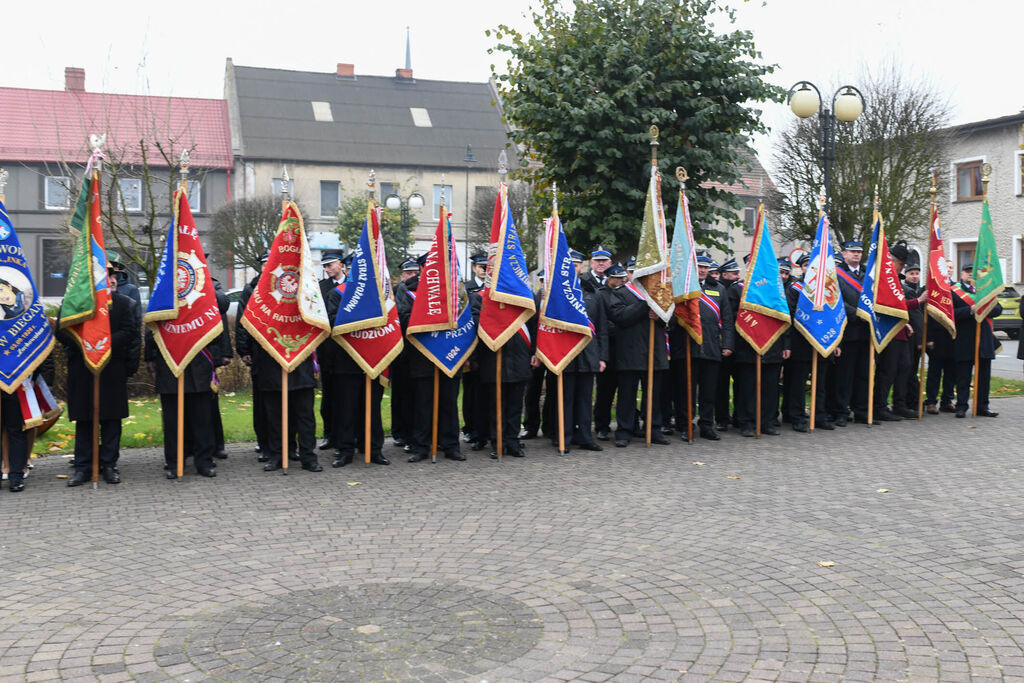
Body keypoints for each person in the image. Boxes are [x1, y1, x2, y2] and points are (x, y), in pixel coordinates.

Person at [58, 268, 141, 486]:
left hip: (112, 369)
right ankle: (83, 467)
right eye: (105, 276)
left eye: (112, 276)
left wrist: (103, 344)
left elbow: (130, 332)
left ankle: (109, 465)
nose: (110, 280)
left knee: (111, 420)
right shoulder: (74, 302)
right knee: (85, 420)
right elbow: (61, 330)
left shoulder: (124, 303)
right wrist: (86, 344)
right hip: (82, 369)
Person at [394, 267, 465, 462]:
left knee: (449, 405)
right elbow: (403, 318)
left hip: (450, 356)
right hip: (423, 357)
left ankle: (451, 446)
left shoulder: (455, 290)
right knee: (423, 405)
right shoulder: (411, 290)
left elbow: (466, 322)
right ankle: (421, 447)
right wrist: (430, 318)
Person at [323, 286, 390, 467]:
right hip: (346, 363)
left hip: (373, 361)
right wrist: (358, 314)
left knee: (372, 409)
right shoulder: (336, 294)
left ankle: (374, 449)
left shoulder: (377, 293)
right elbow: (331, 321)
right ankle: (345, 451)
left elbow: (389, 320)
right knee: (346, 410)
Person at [605, 264, 669, 447]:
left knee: (654, 395)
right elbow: (620, 316)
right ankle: (624, 431)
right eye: (633, 272)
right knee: (627, 395)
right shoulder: (620, 292)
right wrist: (644, 305)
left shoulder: (658, 292)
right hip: (629, 353)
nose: (637, 275)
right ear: (628, 274)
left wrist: (660, 317)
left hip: (654, 352)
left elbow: (672, 318)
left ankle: (654, 429)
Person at [672, 253, 733, 440]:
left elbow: (727, 319)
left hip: (712, 347)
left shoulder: (719, 289)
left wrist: (728, 344)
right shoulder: (682, 289)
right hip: (687, 348)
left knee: (708, 391)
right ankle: (685, 425)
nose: (703, 270)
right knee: (685, 391)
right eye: (700, 266)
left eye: (706, 267)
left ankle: (706, 425)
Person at [952, 264, 1001, 418]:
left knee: (984, 377)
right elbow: (951, 314)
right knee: (963, 377)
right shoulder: (954, 292)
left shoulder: (984, 291)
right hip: (964, 339)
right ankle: (961, 406)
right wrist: (971, 310)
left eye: (972, 273)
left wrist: (984, 306)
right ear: (961, 274)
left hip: (984, 340)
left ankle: (982, 407)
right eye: (967, 272)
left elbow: (997, 310)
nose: (969, 275)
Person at [237, 251, 270, 459]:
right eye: (265, 264)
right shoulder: (250, 289)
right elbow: (243, 321)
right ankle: (263, 442)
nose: (268, 267)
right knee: (262, 401)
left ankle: (286, 444)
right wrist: (244, 350)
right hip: (259, 354)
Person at [835, 240, 871, 425]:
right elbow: (837, 300)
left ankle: (862, 410)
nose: (856, 254)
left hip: (866, 333)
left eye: (859, 251)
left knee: (863, 374)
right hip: (848, 330)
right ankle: (842, 411)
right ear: (844, 254)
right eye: (852, 251)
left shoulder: (867, 274)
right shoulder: (837, 275)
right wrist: (858, 314)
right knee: (845, 375)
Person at [389, 256, 422, 450]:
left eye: (415, 273)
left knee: (415, 396)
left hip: (420, 351)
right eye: (408, 273)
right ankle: (401, 432)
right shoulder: (401, 290)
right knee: (402, 395)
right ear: (402, 275)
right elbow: (401, 316)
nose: (412, 276)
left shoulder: (423, 290)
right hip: (404, 351)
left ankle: (411, 433)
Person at [317, 252, 347, 451]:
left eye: (330, 265)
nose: (327, 269)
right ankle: (329, 435)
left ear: (341, 264)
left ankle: (346, 435)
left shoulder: (353, 286)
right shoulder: (321, 287)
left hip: (348, 350)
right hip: (328, 350)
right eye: (325, 266)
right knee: (328, 397)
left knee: (345, 397)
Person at [714, 258, 742, 430]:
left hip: (736, 344)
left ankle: (738, 416)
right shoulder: (720, 290)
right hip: (719, 344)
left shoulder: (738, 290)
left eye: (738, 273)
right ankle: (722, 418)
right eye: (734, 274)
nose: (737, 276)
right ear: (724, 275)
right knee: (721, 385)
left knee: (739, 383)